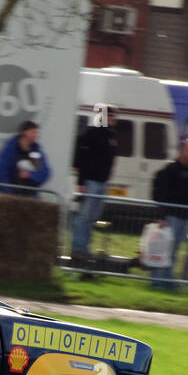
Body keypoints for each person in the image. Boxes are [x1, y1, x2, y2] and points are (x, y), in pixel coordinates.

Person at [150, 138, 188, 290]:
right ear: (182, 150)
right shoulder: (170, 170)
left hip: (185, 218)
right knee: (165, 250)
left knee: (173, 252)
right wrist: (161, 216)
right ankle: (157, 281)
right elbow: (160, 193)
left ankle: (167, 281)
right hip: (171, 217)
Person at [70, 107, 117, 262]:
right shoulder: (91, 134)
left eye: (113, 116)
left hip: (102, 182)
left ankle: (85, 248)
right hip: (90, 181)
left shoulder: (111, 135)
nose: (112, 119)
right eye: (110, 116)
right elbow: (81, 159)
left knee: (92, 218)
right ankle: (77, 248)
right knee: (84, 216)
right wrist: (81, 182)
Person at [0, 120, 50, 194]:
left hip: (29, 196)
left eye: (36, 133)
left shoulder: (35, 151)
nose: (36, 135)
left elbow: (43, 172)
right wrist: (8, 192)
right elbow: (0, 171)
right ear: (25, 132)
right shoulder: (10, 148)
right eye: (33, 132)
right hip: (10, 194)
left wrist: (31, 175)